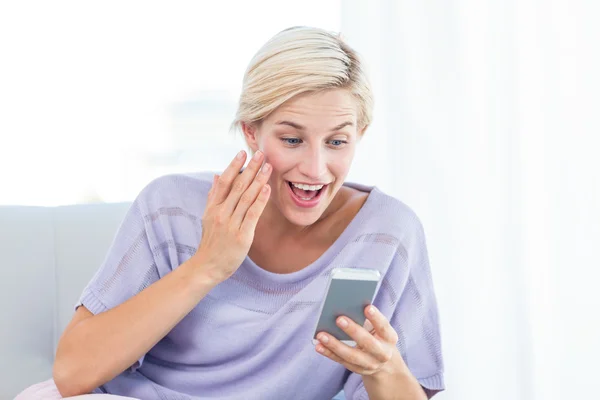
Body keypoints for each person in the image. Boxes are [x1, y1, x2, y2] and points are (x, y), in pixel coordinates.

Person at [16, 26, 444, 400]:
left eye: (336, 142)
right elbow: (73, 376)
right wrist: (208, 264)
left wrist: (383, 367)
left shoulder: (388, 233)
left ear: (360, 134)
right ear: (251, 131)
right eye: (292, 140)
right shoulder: (170, 206)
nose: (316, 170)